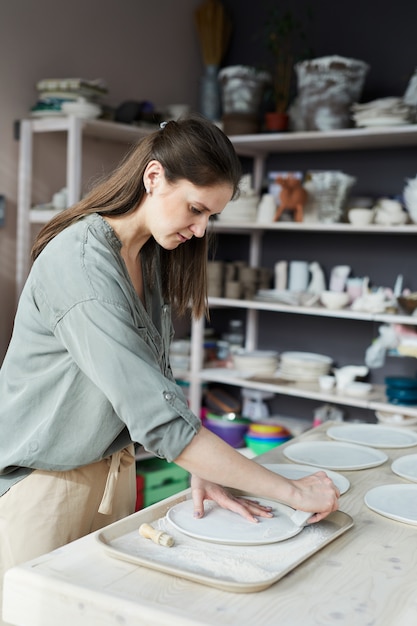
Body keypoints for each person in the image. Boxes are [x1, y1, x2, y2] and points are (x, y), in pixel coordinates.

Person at [0, 115, 339, 621]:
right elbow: (156, 419)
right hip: (44, 489)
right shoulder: (82, 263)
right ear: (154, 177)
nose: (200, 230)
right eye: (196, 209)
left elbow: (157, 389)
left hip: (110, 476)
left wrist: (199, 469)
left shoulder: (147, 256)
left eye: (210, 218)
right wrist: (292, 492)